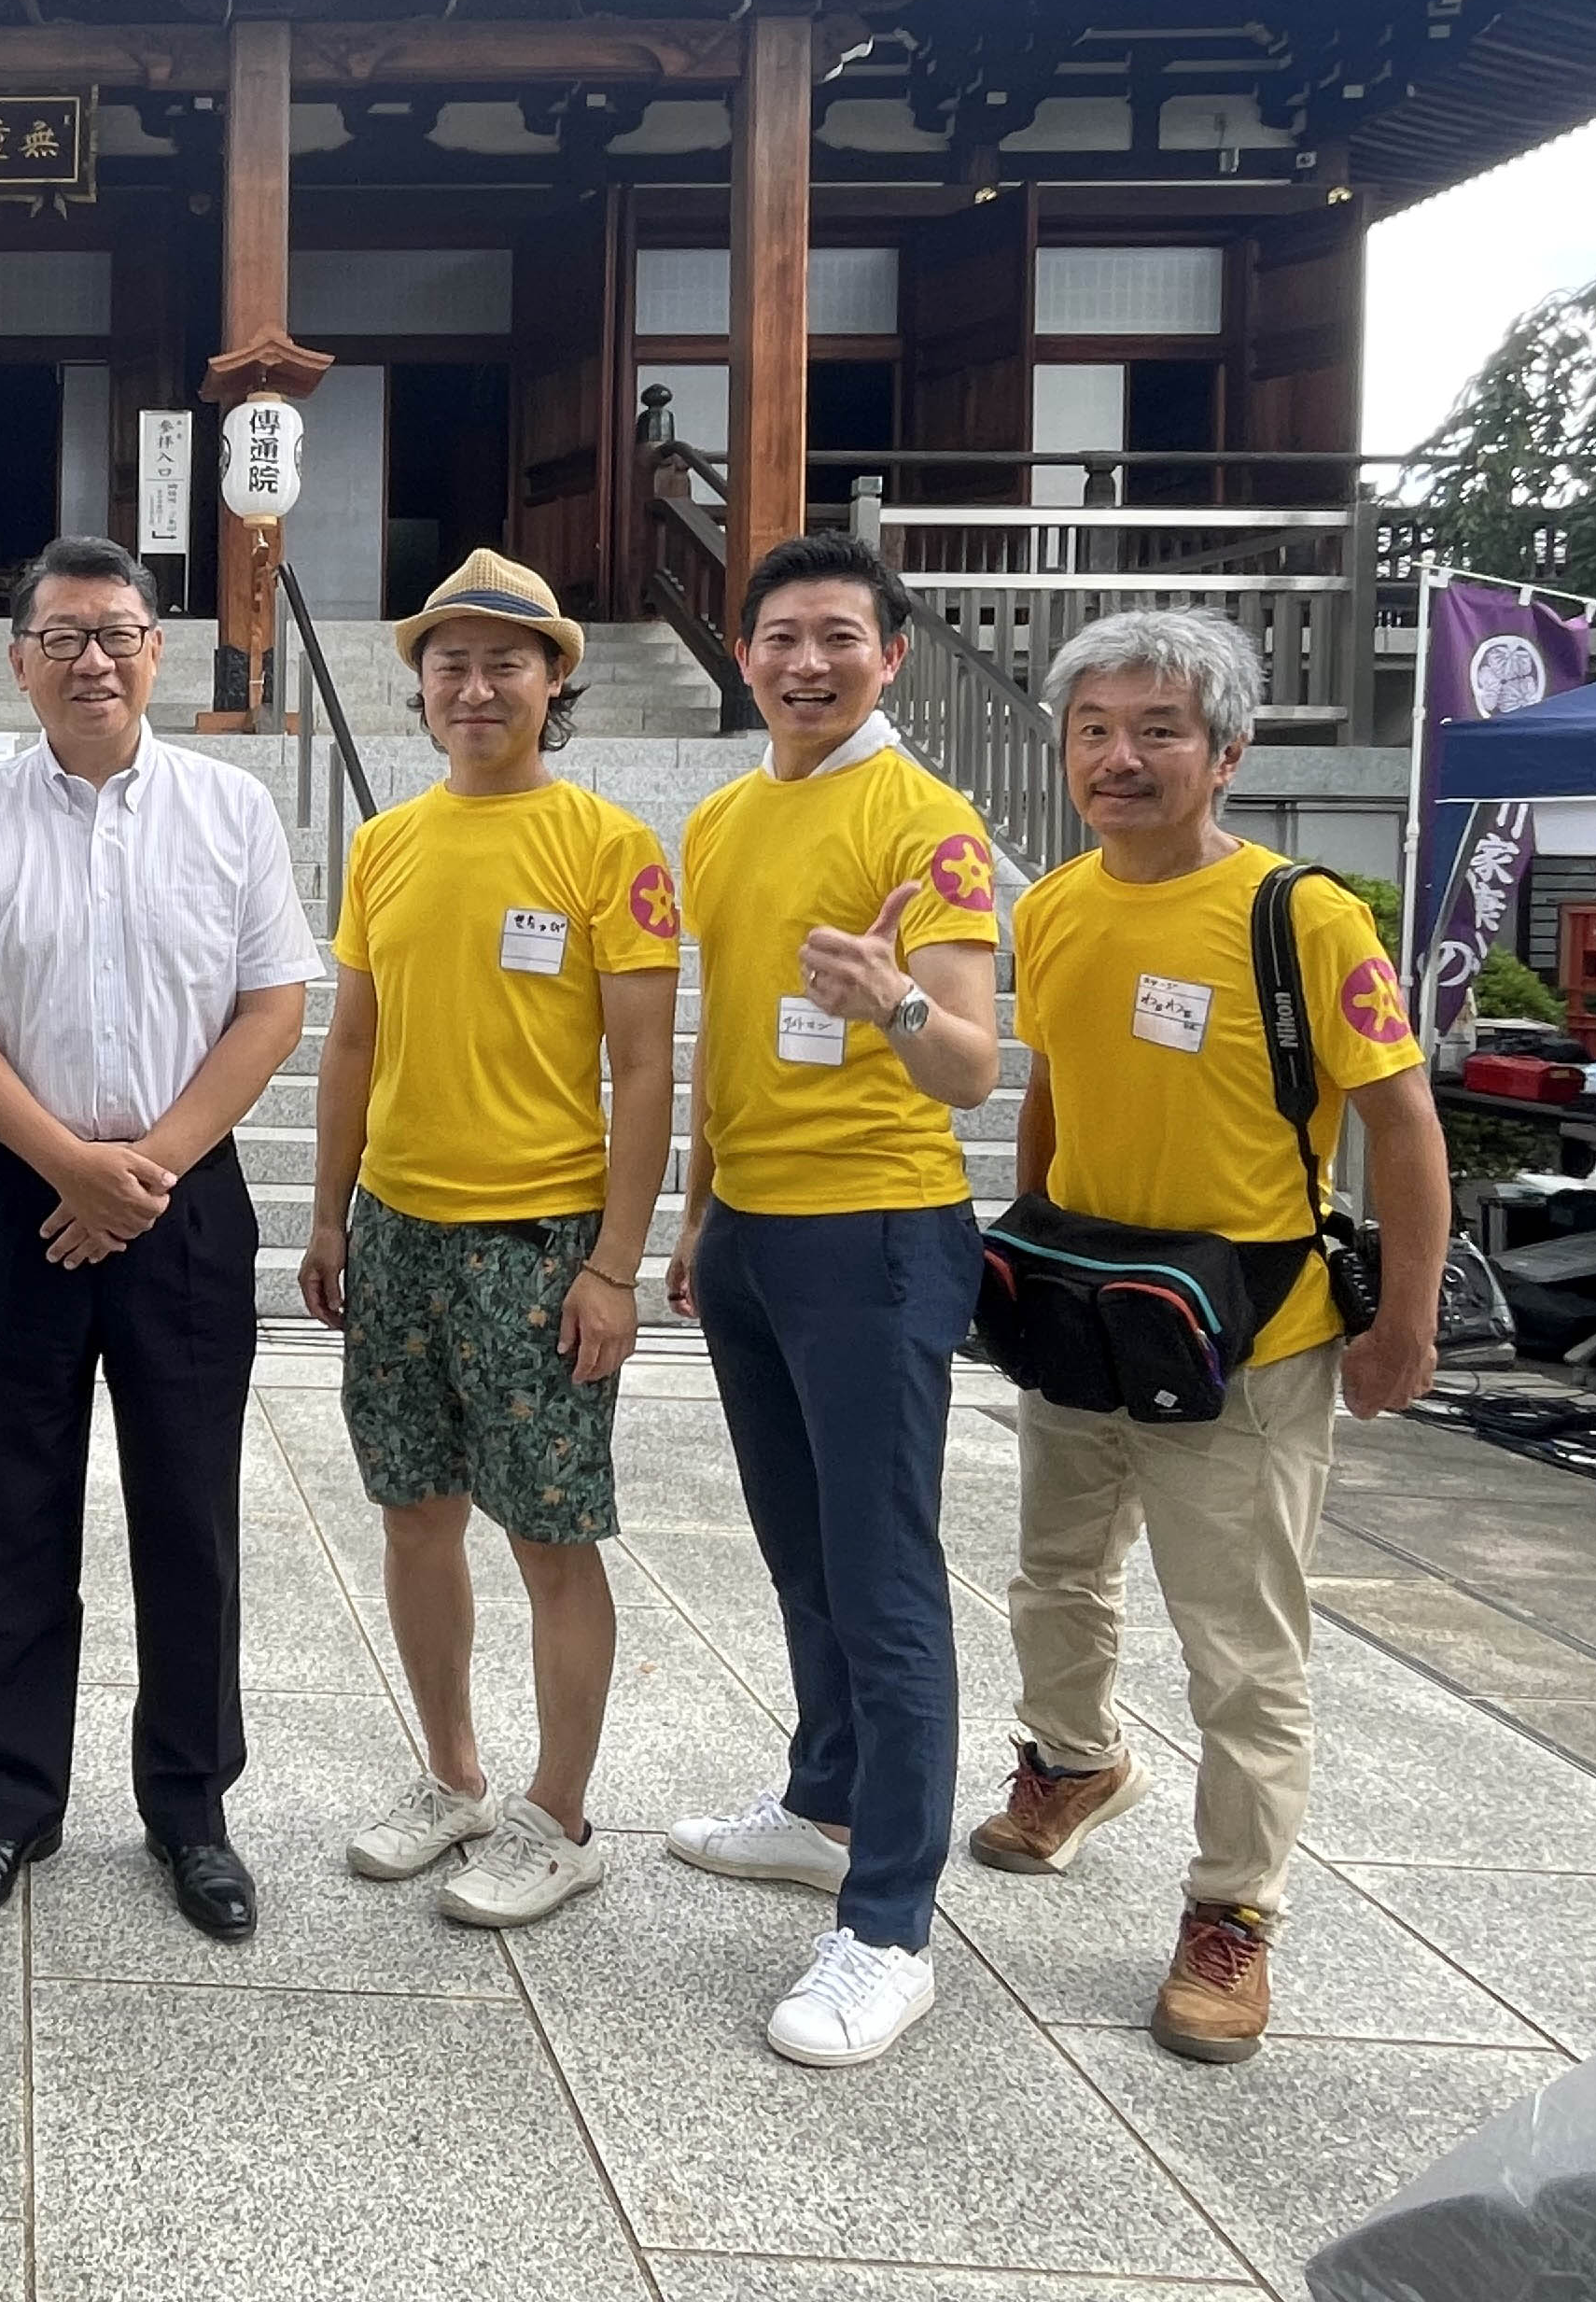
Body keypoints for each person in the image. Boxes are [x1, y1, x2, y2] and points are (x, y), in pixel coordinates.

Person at [968, 609, 1448, 2063]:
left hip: (1252, 1336)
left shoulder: (1301, 915)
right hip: (1089, 1311)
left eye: (1157, 730)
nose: (1120, 758)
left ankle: (1234, 1914)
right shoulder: (1049, 909)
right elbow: (1052, 1089)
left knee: (1240, 1647)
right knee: (1057, 1573)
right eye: (1095, 731)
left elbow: (1402, 1125)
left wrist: (1405, 1323)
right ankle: (1073, 1760)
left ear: (1227, 752)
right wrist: (1030, 1237)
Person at [0, 536, 319, 1942]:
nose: (93, 658)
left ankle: (190, 1809)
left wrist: (145, 1170)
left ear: (158, 651)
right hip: (24, 1196)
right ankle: (15, 1799)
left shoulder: (231, 810)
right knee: (18, 1510)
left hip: (185, 1199)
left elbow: (272, 1003)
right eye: (63, 636)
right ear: (18, 661)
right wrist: (69, 1164)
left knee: (187, 1512)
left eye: (119, 633)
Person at [665, 531, 1004, 2069]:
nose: (809, 663)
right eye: (783, 637)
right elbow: (725, 1035)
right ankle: (822, 1800)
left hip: (877, 1231)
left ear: (893, 656)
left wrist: (899, 999)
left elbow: (970, 1067)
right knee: (799, 1548)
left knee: (883, 1577)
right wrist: (698, 1211)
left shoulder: (926, 821)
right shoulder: (725, 819)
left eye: (840, 639)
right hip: (754, 1231)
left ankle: (889, 1928)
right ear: (744, 656)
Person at [301, 554, 679, 1930]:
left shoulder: (609, 848)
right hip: (398, 1228)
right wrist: (332, 1208)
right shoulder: (384, 844)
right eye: (450, 665)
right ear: (420, 688)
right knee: (414, 1514)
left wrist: (614, 1266)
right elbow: (353, 1037)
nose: (475, 687)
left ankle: (561, 1814)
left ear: (554, 677)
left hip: (540, 1234)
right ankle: (453, 1775)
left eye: (504, 662)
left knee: (550, 1534)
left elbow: (645, 1071)